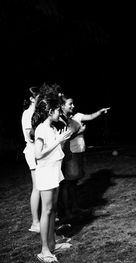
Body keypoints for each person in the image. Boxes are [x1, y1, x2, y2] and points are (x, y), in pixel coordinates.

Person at [32, 94, 73, 262]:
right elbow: (38, 154)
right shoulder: (41, 129)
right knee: (47, 211)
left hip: (55, 171)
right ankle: (44, 251)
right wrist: (58, 141)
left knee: (53, 210)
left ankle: (53, 243)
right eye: (57, 110)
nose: (59, 112)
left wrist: (62, 140)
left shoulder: (52, 128)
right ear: (49, 111)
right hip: (46, 173)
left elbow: (55, 150)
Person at [57, 94, 110, 222]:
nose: (73, 106)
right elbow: (62, 138)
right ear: (62, 106)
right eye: (70, 104)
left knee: (74, 183)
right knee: (67, 183)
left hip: (79, 152)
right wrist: (79, 133)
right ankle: (67, 211)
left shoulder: (77, 116)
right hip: (70, 154)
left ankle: (75, 207)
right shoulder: (61, 120)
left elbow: (91, 116)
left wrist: (100, 111)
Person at [21, 86, 40, 233]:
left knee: (43, 186)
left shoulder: (37, 112)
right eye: (39, 96)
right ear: (32, 98)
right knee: (37, 187)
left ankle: (47, 219)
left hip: (40, 150)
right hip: (33, 151)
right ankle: (35, 223)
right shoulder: (28, 114)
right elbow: (30, 137)